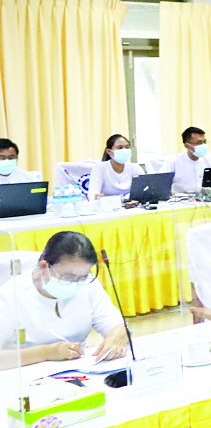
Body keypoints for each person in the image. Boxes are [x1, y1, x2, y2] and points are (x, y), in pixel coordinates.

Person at [0, 231, 131, 368]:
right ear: (44, 267)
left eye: (82, 277)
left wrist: (119, 334)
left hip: (79, 371)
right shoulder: (10, 297)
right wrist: (44, 353)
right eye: (68, 277)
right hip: (23, 374)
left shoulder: (87, 283)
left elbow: (115, 325)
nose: (75, 283)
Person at [160, 126, 211, 192]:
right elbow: (161, 184)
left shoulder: (210, 158)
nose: (203, 145)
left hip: (206, 196)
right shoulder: (172, 161)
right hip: (181, 197)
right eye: (199, 143)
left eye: (204, 142)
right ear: (186, 145)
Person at [87, 134, 145, 199]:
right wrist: (96, 196)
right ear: (109, 151)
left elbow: (145, 189)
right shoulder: (100, 168)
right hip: (108, 204)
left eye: (127, 147)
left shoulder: (135, 168)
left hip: (131, 204)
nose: (124, 150)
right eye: (120, 148)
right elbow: (92, 193)